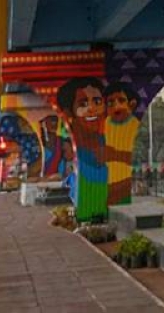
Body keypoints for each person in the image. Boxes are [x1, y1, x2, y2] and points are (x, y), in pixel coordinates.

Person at [57, 77, 108, 222]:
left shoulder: (108, 143)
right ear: (69, 113)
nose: (91, 108)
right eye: (83, 104)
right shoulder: (78, 149)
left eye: (97, 102)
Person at [103, 82, 141, 205]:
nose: (116, 106)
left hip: (124, 180)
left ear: (132, 104)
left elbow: (134, 156)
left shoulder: (134, 125)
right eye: (110, 103)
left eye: (121, 100)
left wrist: (115, 154)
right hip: (107, 179)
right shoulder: (106, 124)